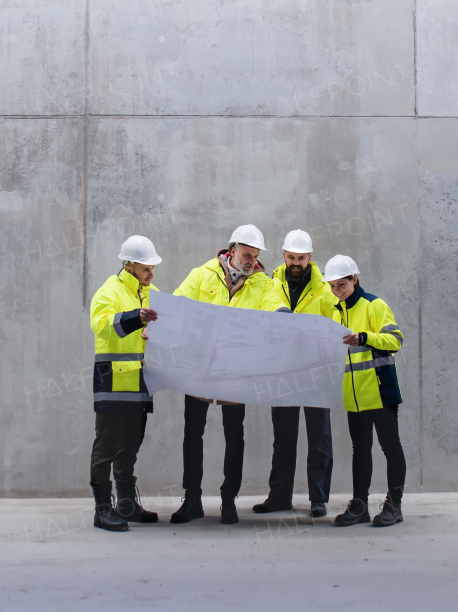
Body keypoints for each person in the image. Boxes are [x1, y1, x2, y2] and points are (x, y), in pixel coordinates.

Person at [170, 224, 291, 525]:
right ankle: (192, 499)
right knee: (192, 434)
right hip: (199, 367)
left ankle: (228, 500)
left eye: (255, 255)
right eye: (247, 254)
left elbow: (273, 304)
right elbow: (177, 302)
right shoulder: (202, 274)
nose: (251, 260)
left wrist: (282, 317)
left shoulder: (263, 283)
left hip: (236, 370)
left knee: (234, 435)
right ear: (232, 250)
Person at [253, 229, 337, 518]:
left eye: (301, 258)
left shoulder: (325, 288)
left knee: (319, 436)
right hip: (283, 370)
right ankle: (279, 497)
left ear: (310, 257)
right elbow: (261, 311)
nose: (296, 263)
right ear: (284, 256)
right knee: (284, 437)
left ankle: (318, 499)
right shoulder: (270, 283)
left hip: (316, 370)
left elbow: (335, 323)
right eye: (291, 257)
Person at [87, 235, 164, 532]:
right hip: (113, 381)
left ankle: (127, 505)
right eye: (146, 269)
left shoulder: (152, 293)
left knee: (130, 446)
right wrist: (136, 318)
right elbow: (101, 324)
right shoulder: (109, 291)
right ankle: (102, 510)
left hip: (140, 382)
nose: (151, 274)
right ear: (130, 266)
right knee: (106, 446)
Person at [324, 254, 407, 528]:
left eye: (341, 285)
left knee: (390, 448)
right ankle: (359, 506)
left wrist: (365, 337)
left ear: (354, 279)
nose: (337, 291)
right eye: (333, 286)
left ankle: (394, 507)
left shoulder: (374, 304)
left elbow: (395, 340)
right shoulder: (337, 311)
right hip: (355, 396)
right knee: (360, 450)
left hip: (380, 391)